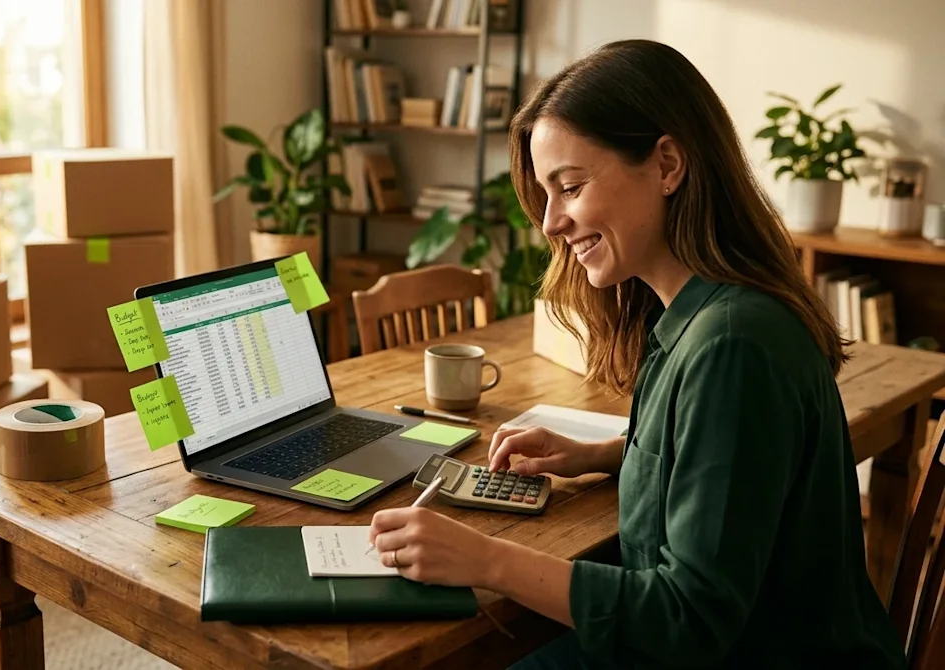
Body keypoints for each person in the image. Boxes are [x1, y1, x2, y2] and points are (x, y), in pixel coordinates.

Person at [366, 39, 907, 669]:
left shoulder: (733, 345)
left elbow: (689, 619)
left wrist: (485, 559)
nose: (550, 223)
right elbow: (723, 465)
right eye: (545, 195)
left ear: (668, 164)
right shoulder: (701, 314)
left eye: (569, 186)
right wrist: (603, 453)